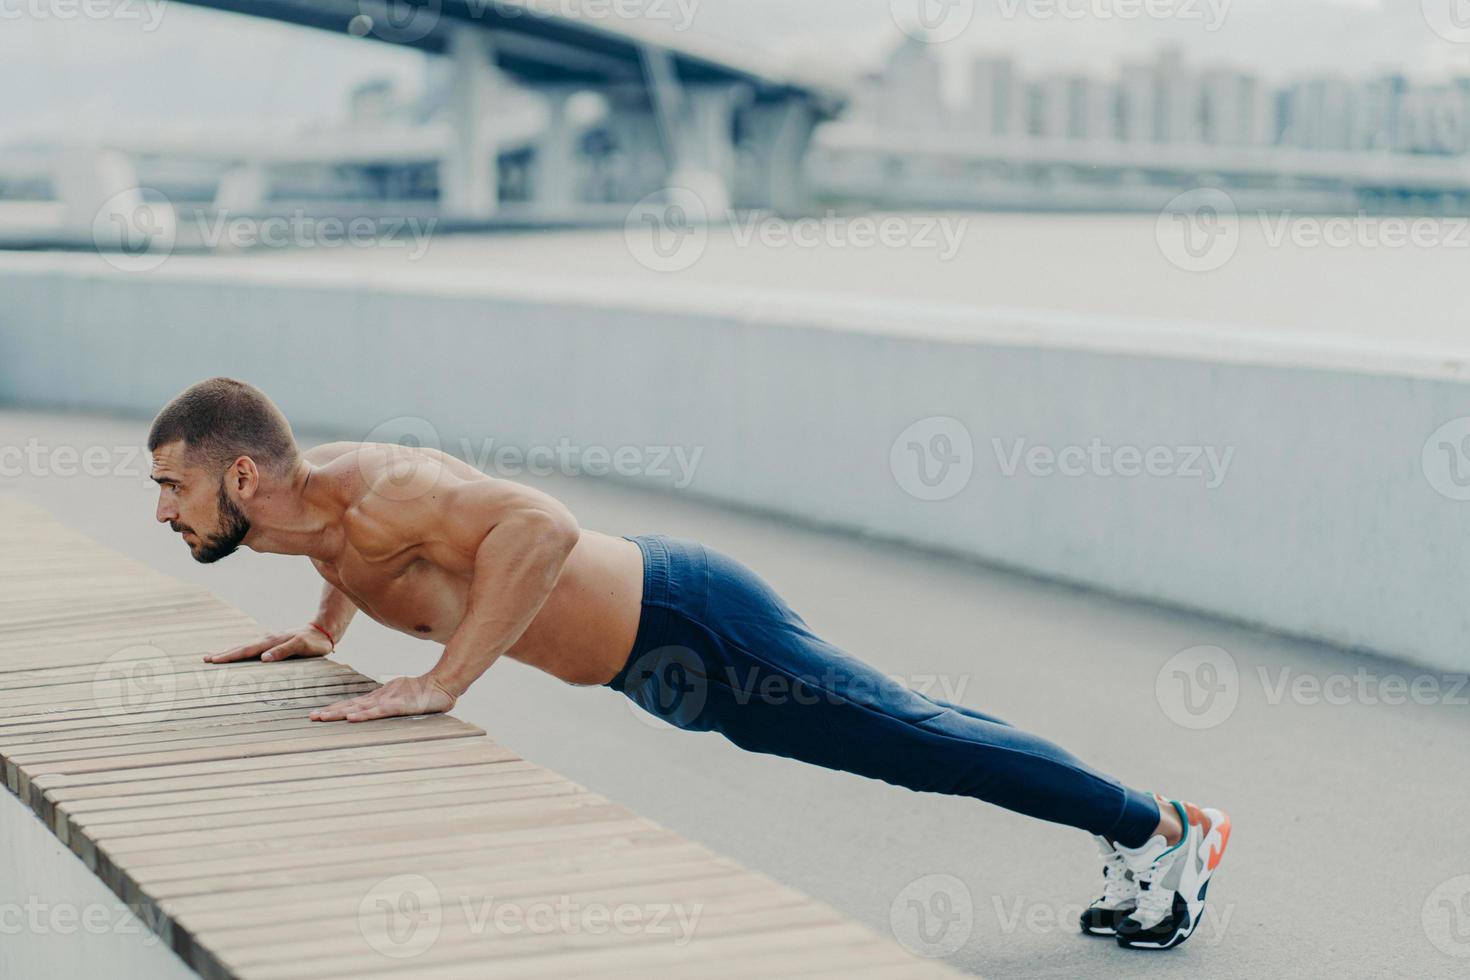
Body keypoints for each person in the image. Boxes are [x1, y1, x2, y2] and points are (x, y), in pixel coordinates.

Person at [147, 377, 1229, 951]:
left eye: (174, 490)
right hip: (665, 665)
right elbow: (344, 553)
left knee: (914, 738)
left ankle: (1163, 826)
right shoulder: (307, 519)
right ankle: (1142, 826)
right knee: (908, 736)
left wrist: (443, 681)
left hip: (694, 619)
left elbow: (541, 525)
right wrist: (327, 630)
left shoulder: (383, 488)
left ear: (241, 473)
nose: (163, 511)